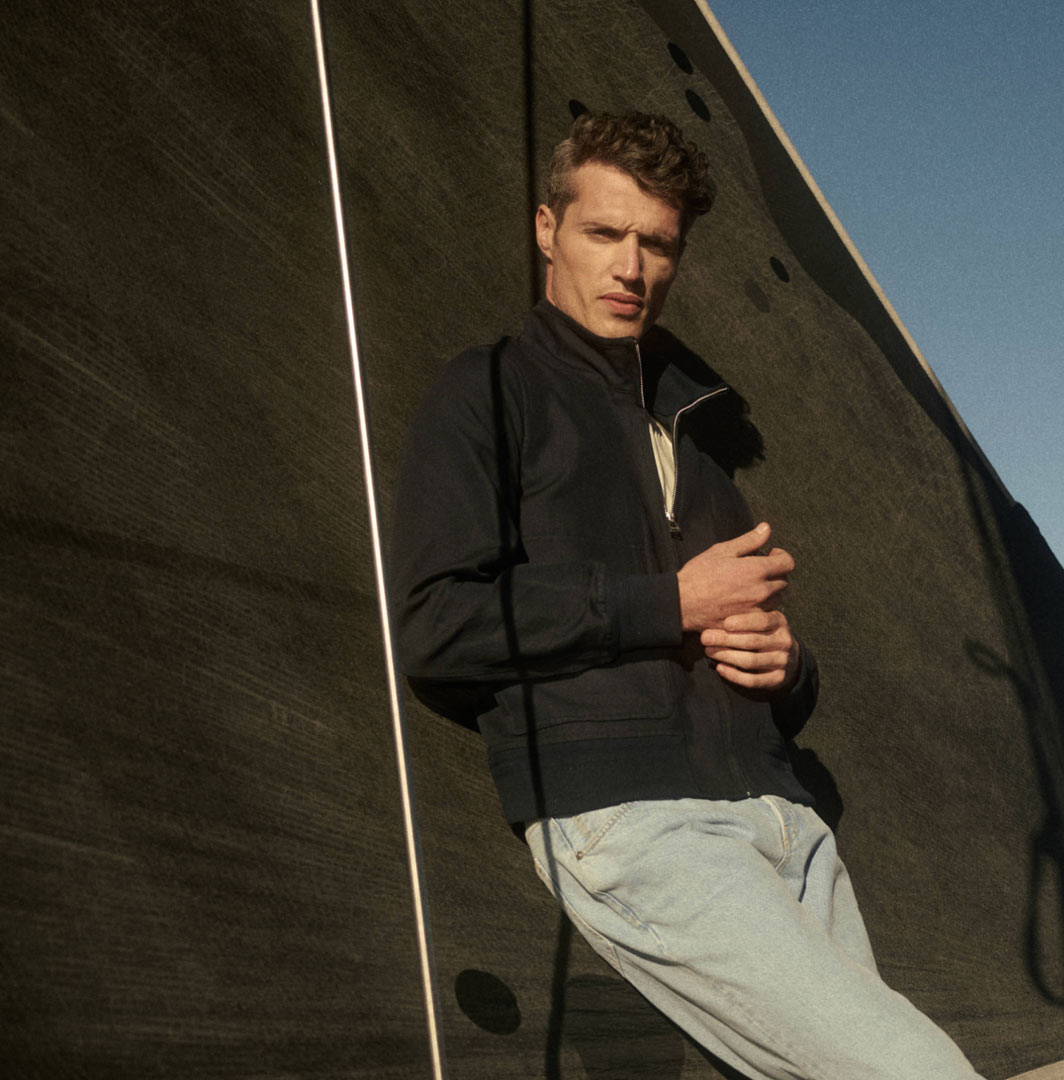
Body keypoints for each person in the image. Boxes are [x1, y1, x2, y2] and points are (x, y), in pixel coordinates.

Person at [393, 109, 983, 1080]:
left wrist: (789, 667)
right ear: (547, 229)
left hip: (784, 817)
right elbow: (435, 627)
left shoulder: (698, 430)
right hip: (633, 820)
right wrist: (669, 606)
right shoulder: (484, 392)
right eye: (604, 233)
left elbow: (746, 637)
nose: (631, 266)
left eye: (657, 244)